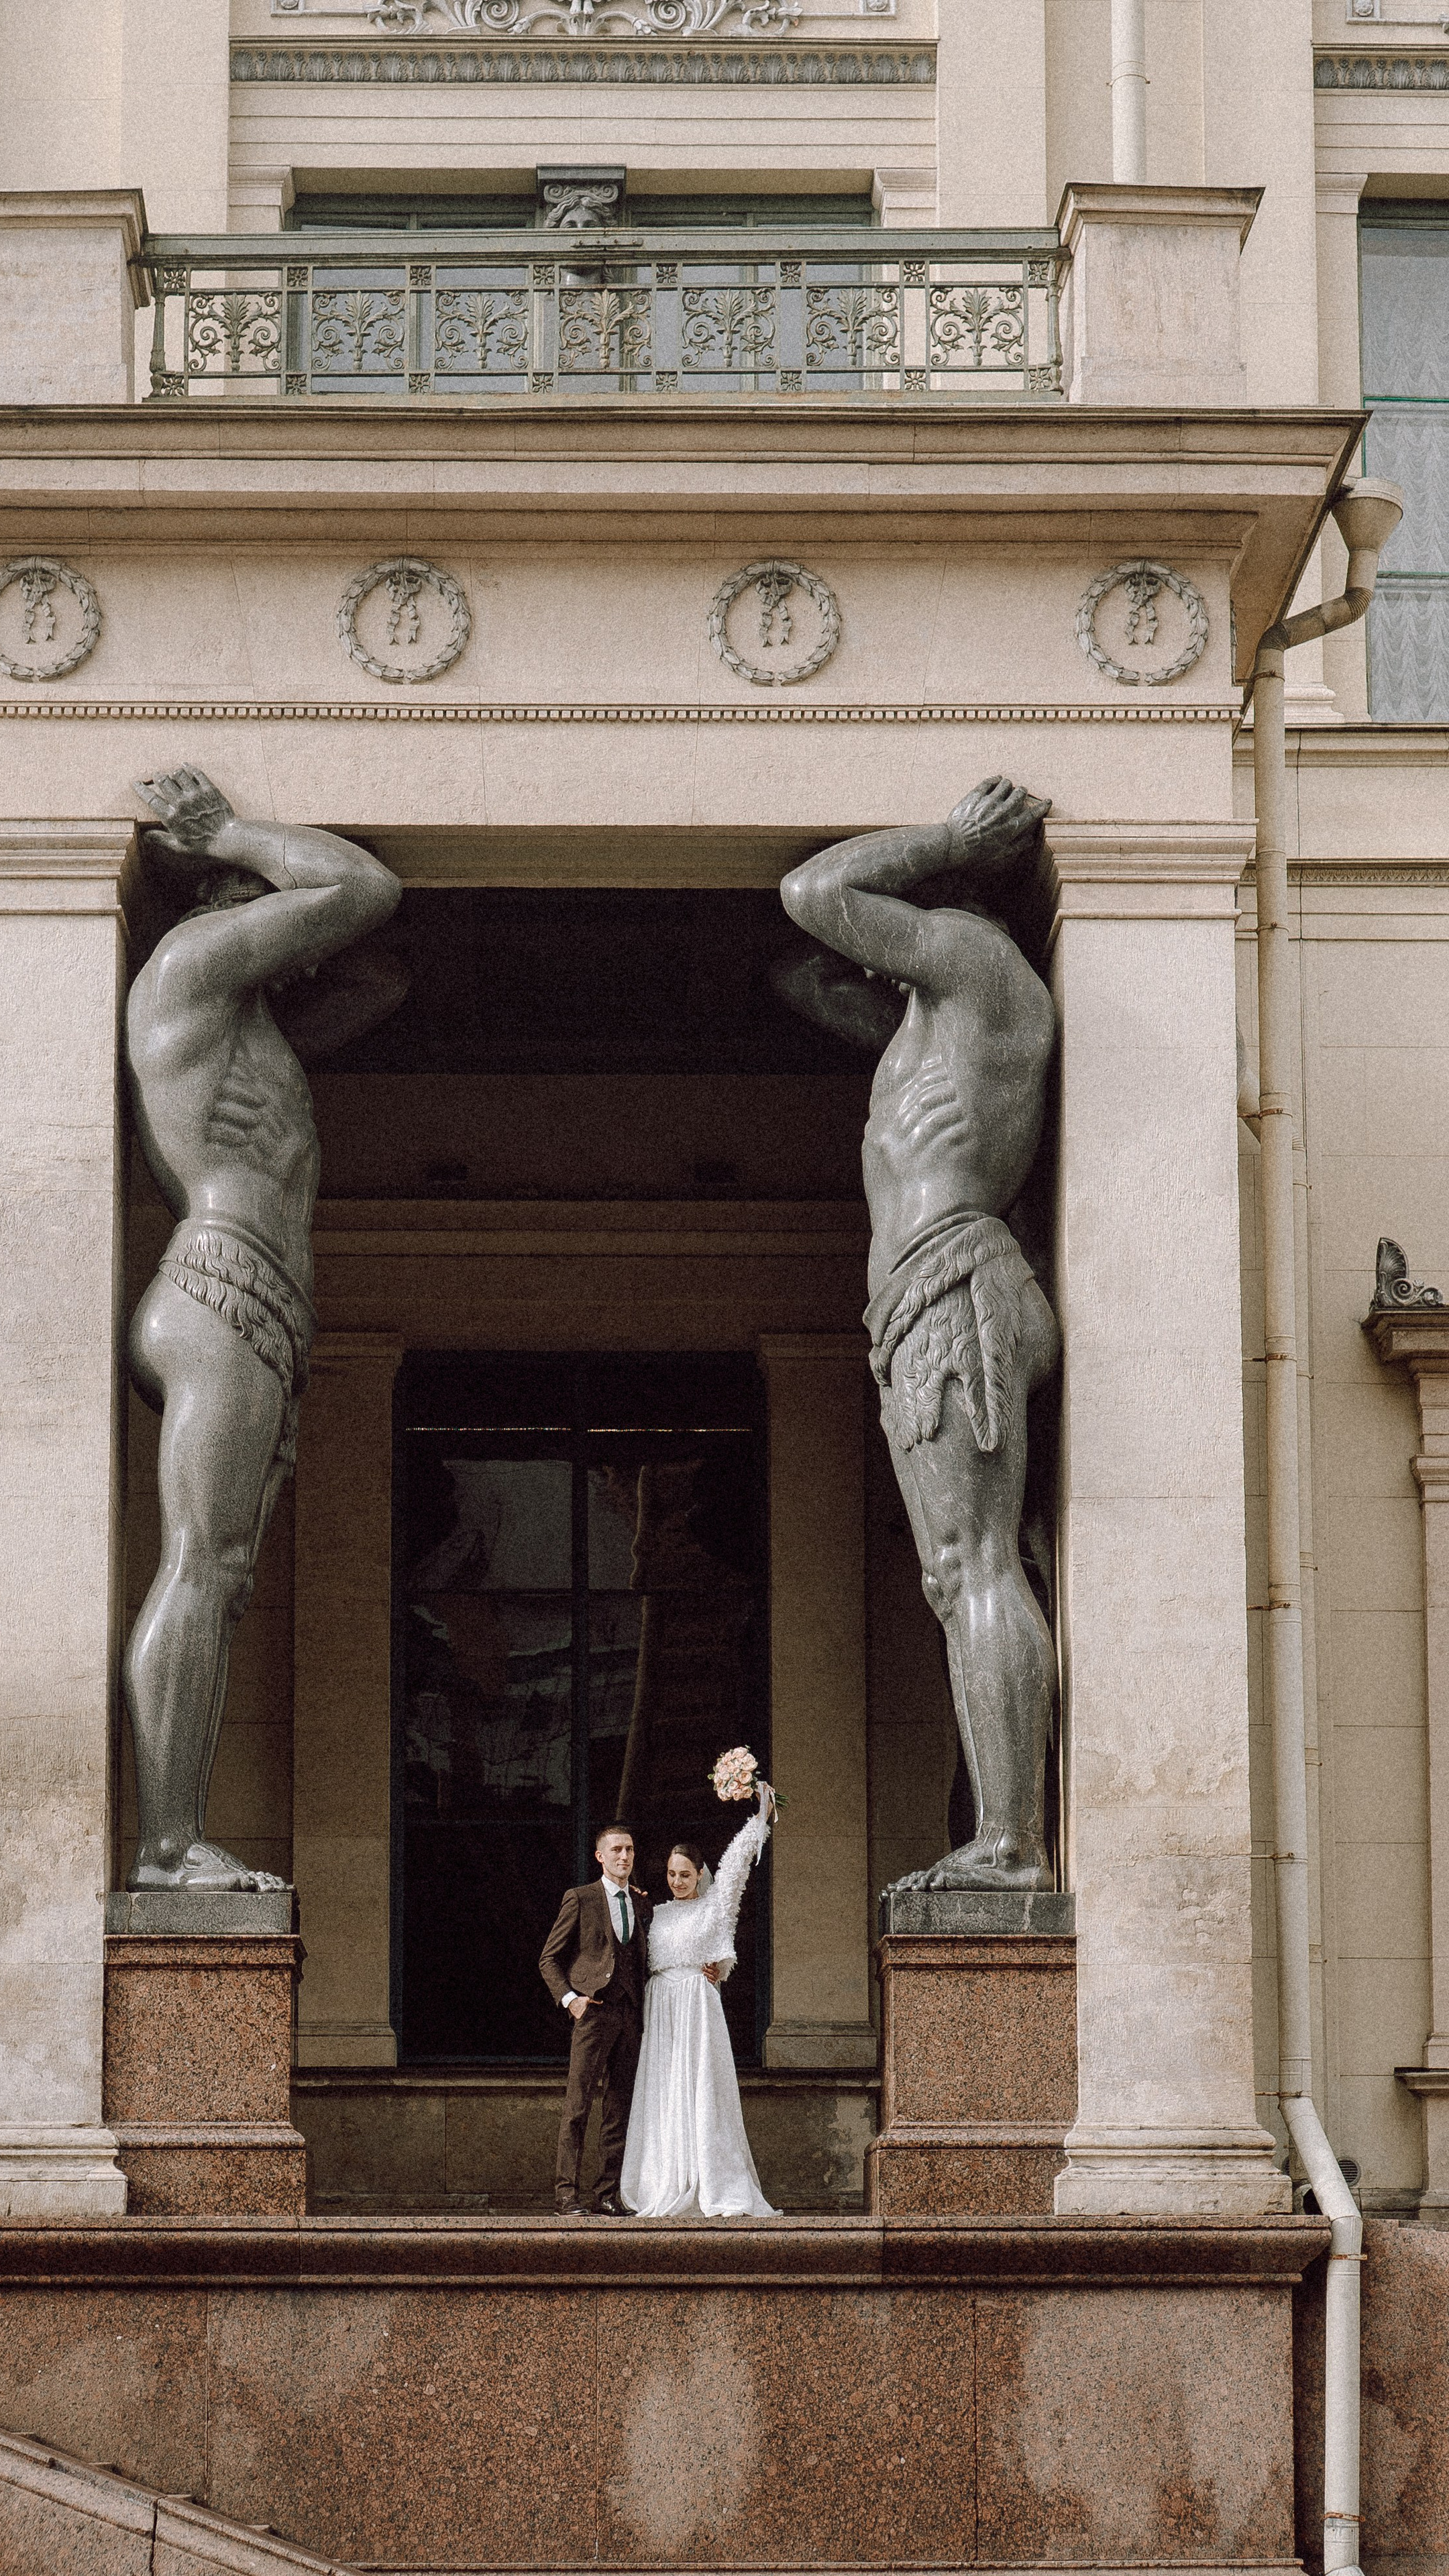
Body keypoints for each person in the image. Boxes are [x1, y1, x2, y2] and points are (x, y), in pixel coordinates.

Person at [123, 764, 405, 1891]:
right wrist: (237, 835)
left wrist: (287, 939)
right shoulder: (187, 966)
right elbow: (361, 889)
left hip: (261, 1306)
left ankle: (175, 1839)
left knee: (223, 1571)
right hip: (219, 1286)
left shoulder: (246, 1023)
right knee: (200, 1564)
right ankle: (168, 1848)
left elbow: (371, 975)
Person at [775, 777, 1059, 1894]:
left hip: (954, 1283)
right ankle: (1000, 1827)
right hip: (924, 1301)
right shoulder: (930, 1020)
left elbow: (814, 893)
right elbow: (799, 973)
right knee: (966, 1573)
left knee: (969, 1565)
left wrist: (944, 840)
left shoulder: (982, 969)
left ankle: (1011, 1843)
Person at [620, 1784, 777, 2219]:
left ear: (698, 1875)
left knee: (701, 2093)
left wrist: (761, 1816)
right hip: (661, 2011)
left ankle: (712, 2181)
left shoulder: (713, 1908)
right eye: (671, 1874)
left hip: (695, 2009)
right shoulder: (656, 1913)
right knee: (664, 2093)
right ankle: (663, 2179)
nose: (677, 1881)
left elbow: (735, 1870)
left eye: (685, 1875)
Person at [539, 1822, 652, 2216]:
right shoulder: (581, 1898)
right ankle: (566, 2196)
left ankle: (607, 2194)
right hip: (594, 2015)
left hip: (630, 2017)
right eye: (617, 1850)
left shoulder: (641, 1902)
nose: (625, 1856)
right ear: (600, 1856)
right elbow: (548, 1959)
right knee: (577, 2108)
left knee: (619, 2109)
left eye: (630, 1850)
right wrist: (571, 2000)